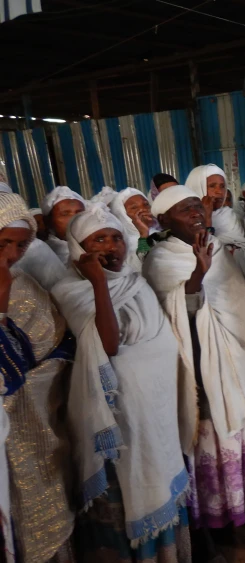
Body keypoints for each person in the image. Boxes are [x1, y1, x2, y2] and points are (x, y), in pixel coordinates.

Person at [50, 204, 192, 563]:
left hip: (155, 408)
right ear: (79, 248)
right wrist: (98, 283)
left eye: (116, 238)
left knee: (158, 475)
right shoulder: (70, 290)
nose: (111, 246)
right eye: (98, 239)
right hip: (120, 415)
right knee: (127, 488)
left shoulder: (135, 281)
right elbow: (108, 345)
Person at [144, 186, 245, 549]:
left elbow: (238, 306)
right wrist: (196, 276)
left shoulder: (217, 249)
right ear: (164, 220)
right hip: (198, 367)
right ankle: (215, 528)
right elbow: (175, 317)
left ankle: (242, 513)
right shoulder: (159, 260)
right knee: (209, 444)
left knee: (240, 438)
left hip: (235, 363)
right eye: (184, 209)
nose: (195, 213)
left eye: (196, 206)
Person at [0, 193, 76, 563]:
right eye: (3, 243)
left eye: (20, 244)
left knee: (46, 494)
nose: (11, 255)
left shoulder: (25, 284)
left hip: (39, 416)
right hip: (4, 430)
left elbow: (60, 340)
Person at [184, 165, 245, 300]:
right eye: (212, 186)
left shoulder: (229, 215)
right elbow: (202, 248)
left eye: (222, 186)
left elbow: (244, 244)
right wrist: (207, 218)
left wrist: (236, 253)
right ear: (197, 186)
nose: (219, 192)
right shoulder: (185, 220)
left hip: (238, 278)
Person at [109, 187, 157, 272]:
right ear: (122, 214)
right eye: (134, 207)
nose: (143, 209)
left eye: (146, 204)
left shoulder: (160, 233)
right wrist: (144, 234)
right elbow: (143, 266)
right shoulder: (122, 245)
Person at [41, 186, 86, 263]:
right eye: (65, 214)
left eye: (80, 213)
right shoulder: (44, 254)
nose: (74, 218)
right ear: (48, 221)